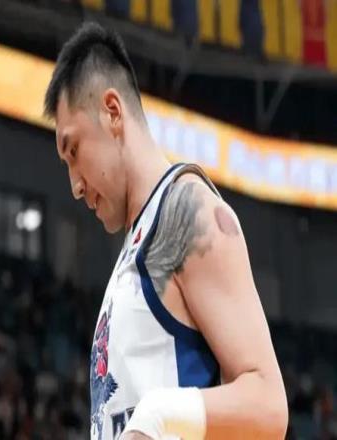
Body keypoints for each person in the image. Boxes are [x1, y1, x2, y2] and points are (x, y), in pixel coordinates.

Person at [43, 22, 288, 440]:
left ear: (112, 112)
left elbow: (269, 406)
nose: (75, 185)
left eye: (74, 150)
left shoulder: (188, 211)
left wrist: (159, 415)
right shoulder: (135, 247)